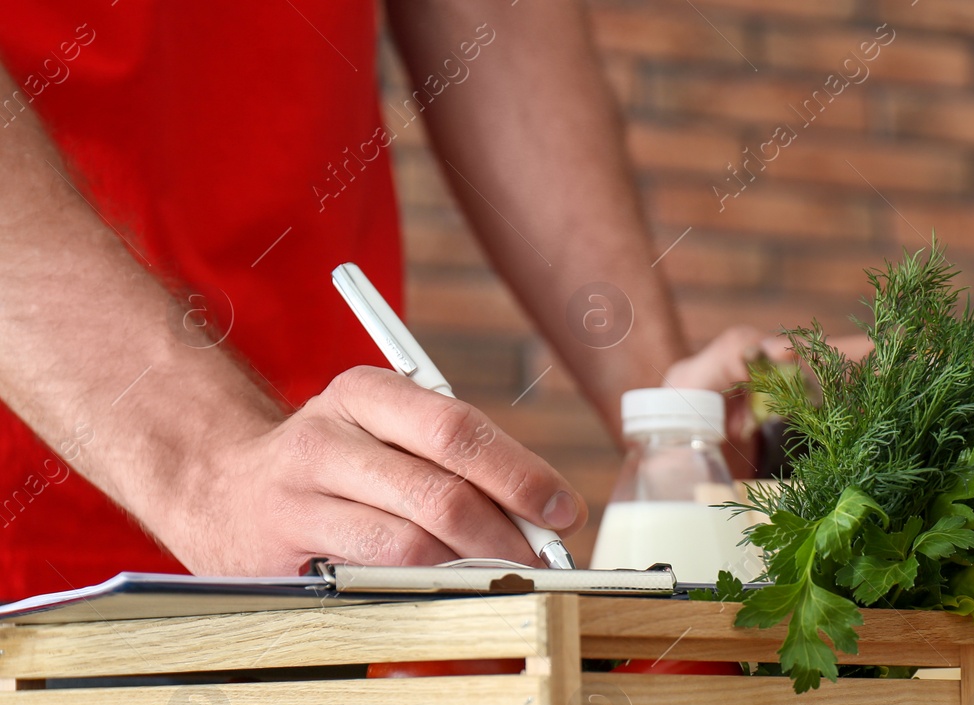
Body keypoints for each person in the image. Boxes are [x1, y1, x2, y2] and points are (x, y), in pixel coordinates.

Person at [0, 1, 778, 602]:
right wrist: (201, 465)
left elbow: (497, 31)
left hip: (347, 538)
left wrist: (670, 416)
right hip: (45, 536)